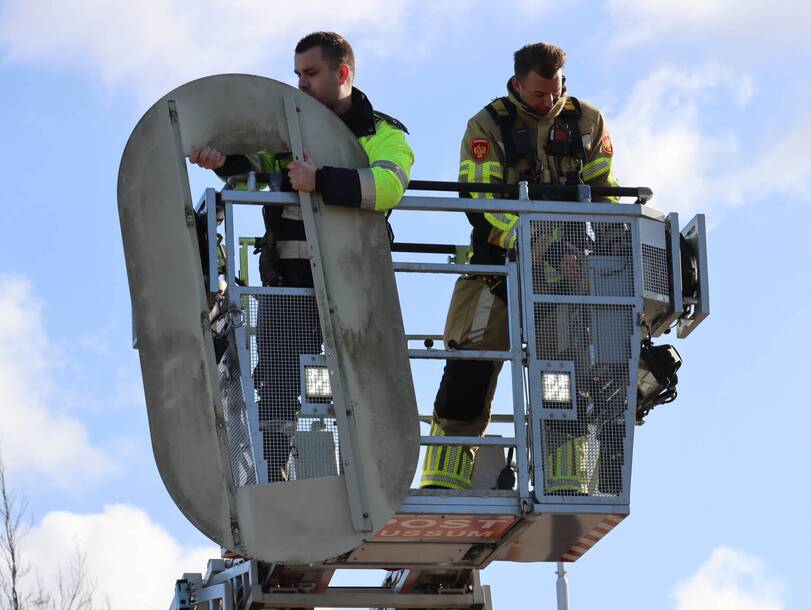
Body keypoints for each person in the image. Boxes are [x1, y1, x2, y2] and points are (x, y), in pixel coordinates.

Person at [190, 31, 413, 481]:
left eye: (310, 73)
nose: (301, 84)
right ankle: (275, 474)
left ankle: (374, 475)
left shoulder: (383, 132)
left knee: (364, 383)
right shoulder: (287, 129)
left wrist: (321, 180)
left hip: (352, 284)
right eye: (297, 74)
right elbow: (256, 163)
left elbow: (389, 185)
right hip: (287, 285)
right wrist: (221, 161)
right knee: (276, 385)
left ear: (342, 73)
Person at [420, 42, 621, 494]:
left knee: (563, 381)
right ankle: (443, 481)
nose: (549, 101)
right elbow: (482, 201)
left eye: (555, 91)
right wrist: (546, 247)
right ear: (516, 83)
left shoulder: (588, 122)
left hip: (564, 283)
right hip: (495, 273)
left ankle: (565, 482)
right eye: (538, 94)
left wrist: (617, 244)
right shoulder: (487, 125)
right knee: (468, 371)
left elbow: (604, 190)